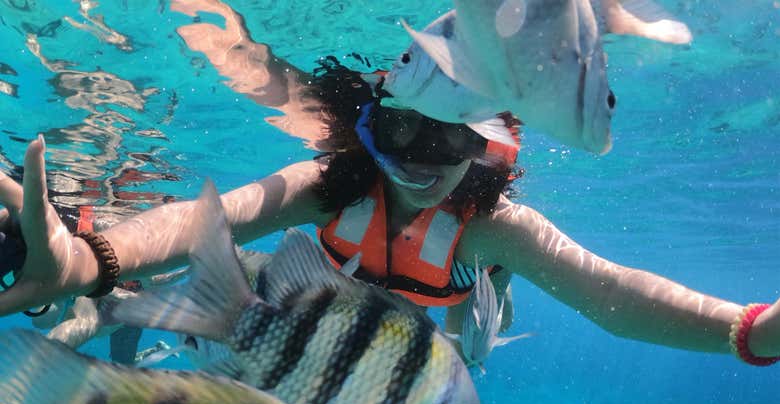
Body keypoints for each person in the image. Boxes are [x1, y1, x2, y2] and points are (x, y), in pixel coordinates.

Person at [0, 0, 777, 366]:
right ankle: (104, 312)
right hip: (341, 299)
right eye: (404, 124)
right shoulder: (332, 184)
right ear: (371, 126)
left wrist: (744, 331)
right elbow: (219, 216)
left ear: (489, 145)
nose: (423, 155)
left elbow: (612, 294)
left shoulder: (492, 228)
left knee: (452, 354)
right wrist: (87, 258)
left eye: (453, 134)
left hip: (439, 319)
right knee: (257, 273)